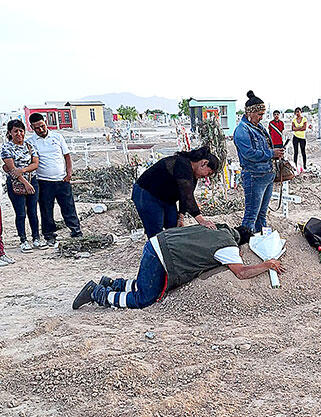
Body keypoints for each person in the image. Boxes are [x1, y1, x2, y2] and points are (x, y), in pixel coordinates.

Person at [72, 224, 285, 310]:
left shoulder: (218, 229)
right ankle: (98, 294)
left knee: (144, 284)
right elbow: (241, 273)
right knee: (145, 298)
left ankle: (112, 283)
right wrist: (267, 264)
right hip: (163, 255)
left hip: (157, 243)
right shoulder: (228, 248)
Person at [133, 146, 218, 238]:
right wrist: (202, 221)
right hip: (147, 194)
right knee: (156, 232)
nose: (206, 177)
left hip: (167, 198)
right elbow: (187, 196)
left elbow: (185, 195)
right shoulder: (182, 164)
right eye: (208, 173)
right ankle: (155, 251)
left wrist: (181, 217)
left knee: (174, 227)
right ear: (203, 163)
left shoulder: (193, 175)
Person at [27, 113, 82, 246]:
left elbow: (67, 156)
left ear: (45, 123)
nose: (40, 130)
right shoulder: (30, 142)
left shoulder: (57, 137)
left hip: (62, 180)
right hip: (43, 181)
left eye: (42, 126)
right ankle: (49, 235)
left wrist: (69, 174)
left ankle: (76, 231)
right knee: (46, 210)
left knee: (68, 207)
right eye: (37, 128)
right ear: (32, 128)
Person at [233, 90, 284, 233]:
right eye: (259, 114)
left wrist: (275, 154)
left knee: (262, 214)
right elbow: (249, 154)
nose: (261, 118)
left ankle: (261, 243)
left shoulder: (258, 127)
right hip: (254, 176)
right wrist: (271, 153)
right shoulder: (242, 130)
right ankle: (245, 245)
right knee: (251, 216)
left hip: (266, 175)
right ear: (250, 113)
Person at [1, 120, 45, 252]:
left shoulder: (29, 146)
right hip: (16, 184)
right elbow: (12, 169)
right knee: (20, 213)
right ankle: (23, 240)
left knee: (33, 211)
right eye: (16, 131)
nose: (19, 133)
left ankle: (36, 238)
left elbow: (35, 164)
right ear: (10, 132)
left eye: (21, 131)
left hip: (33, 180)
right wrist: (25, 183)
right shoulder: (7, 148)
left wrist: (24, 170)